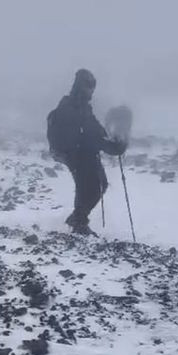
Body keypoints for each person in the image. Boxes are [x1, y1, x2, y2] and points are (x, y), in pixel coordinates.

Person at [47, 69, 126, 235]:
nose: (91, 90)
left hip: (82, 153)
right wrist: (113, 147)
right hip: (75, 154)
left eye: (92, 87)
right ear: (80, 86)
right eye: (89, 86)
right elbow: (90, 134)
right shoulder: (71, 107)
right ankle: (79, 222)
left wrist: (110, 141)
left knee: (98, 185)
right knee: (89, 187)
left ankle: (77, 219)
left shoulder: (82, 107)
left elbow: (96, 130)